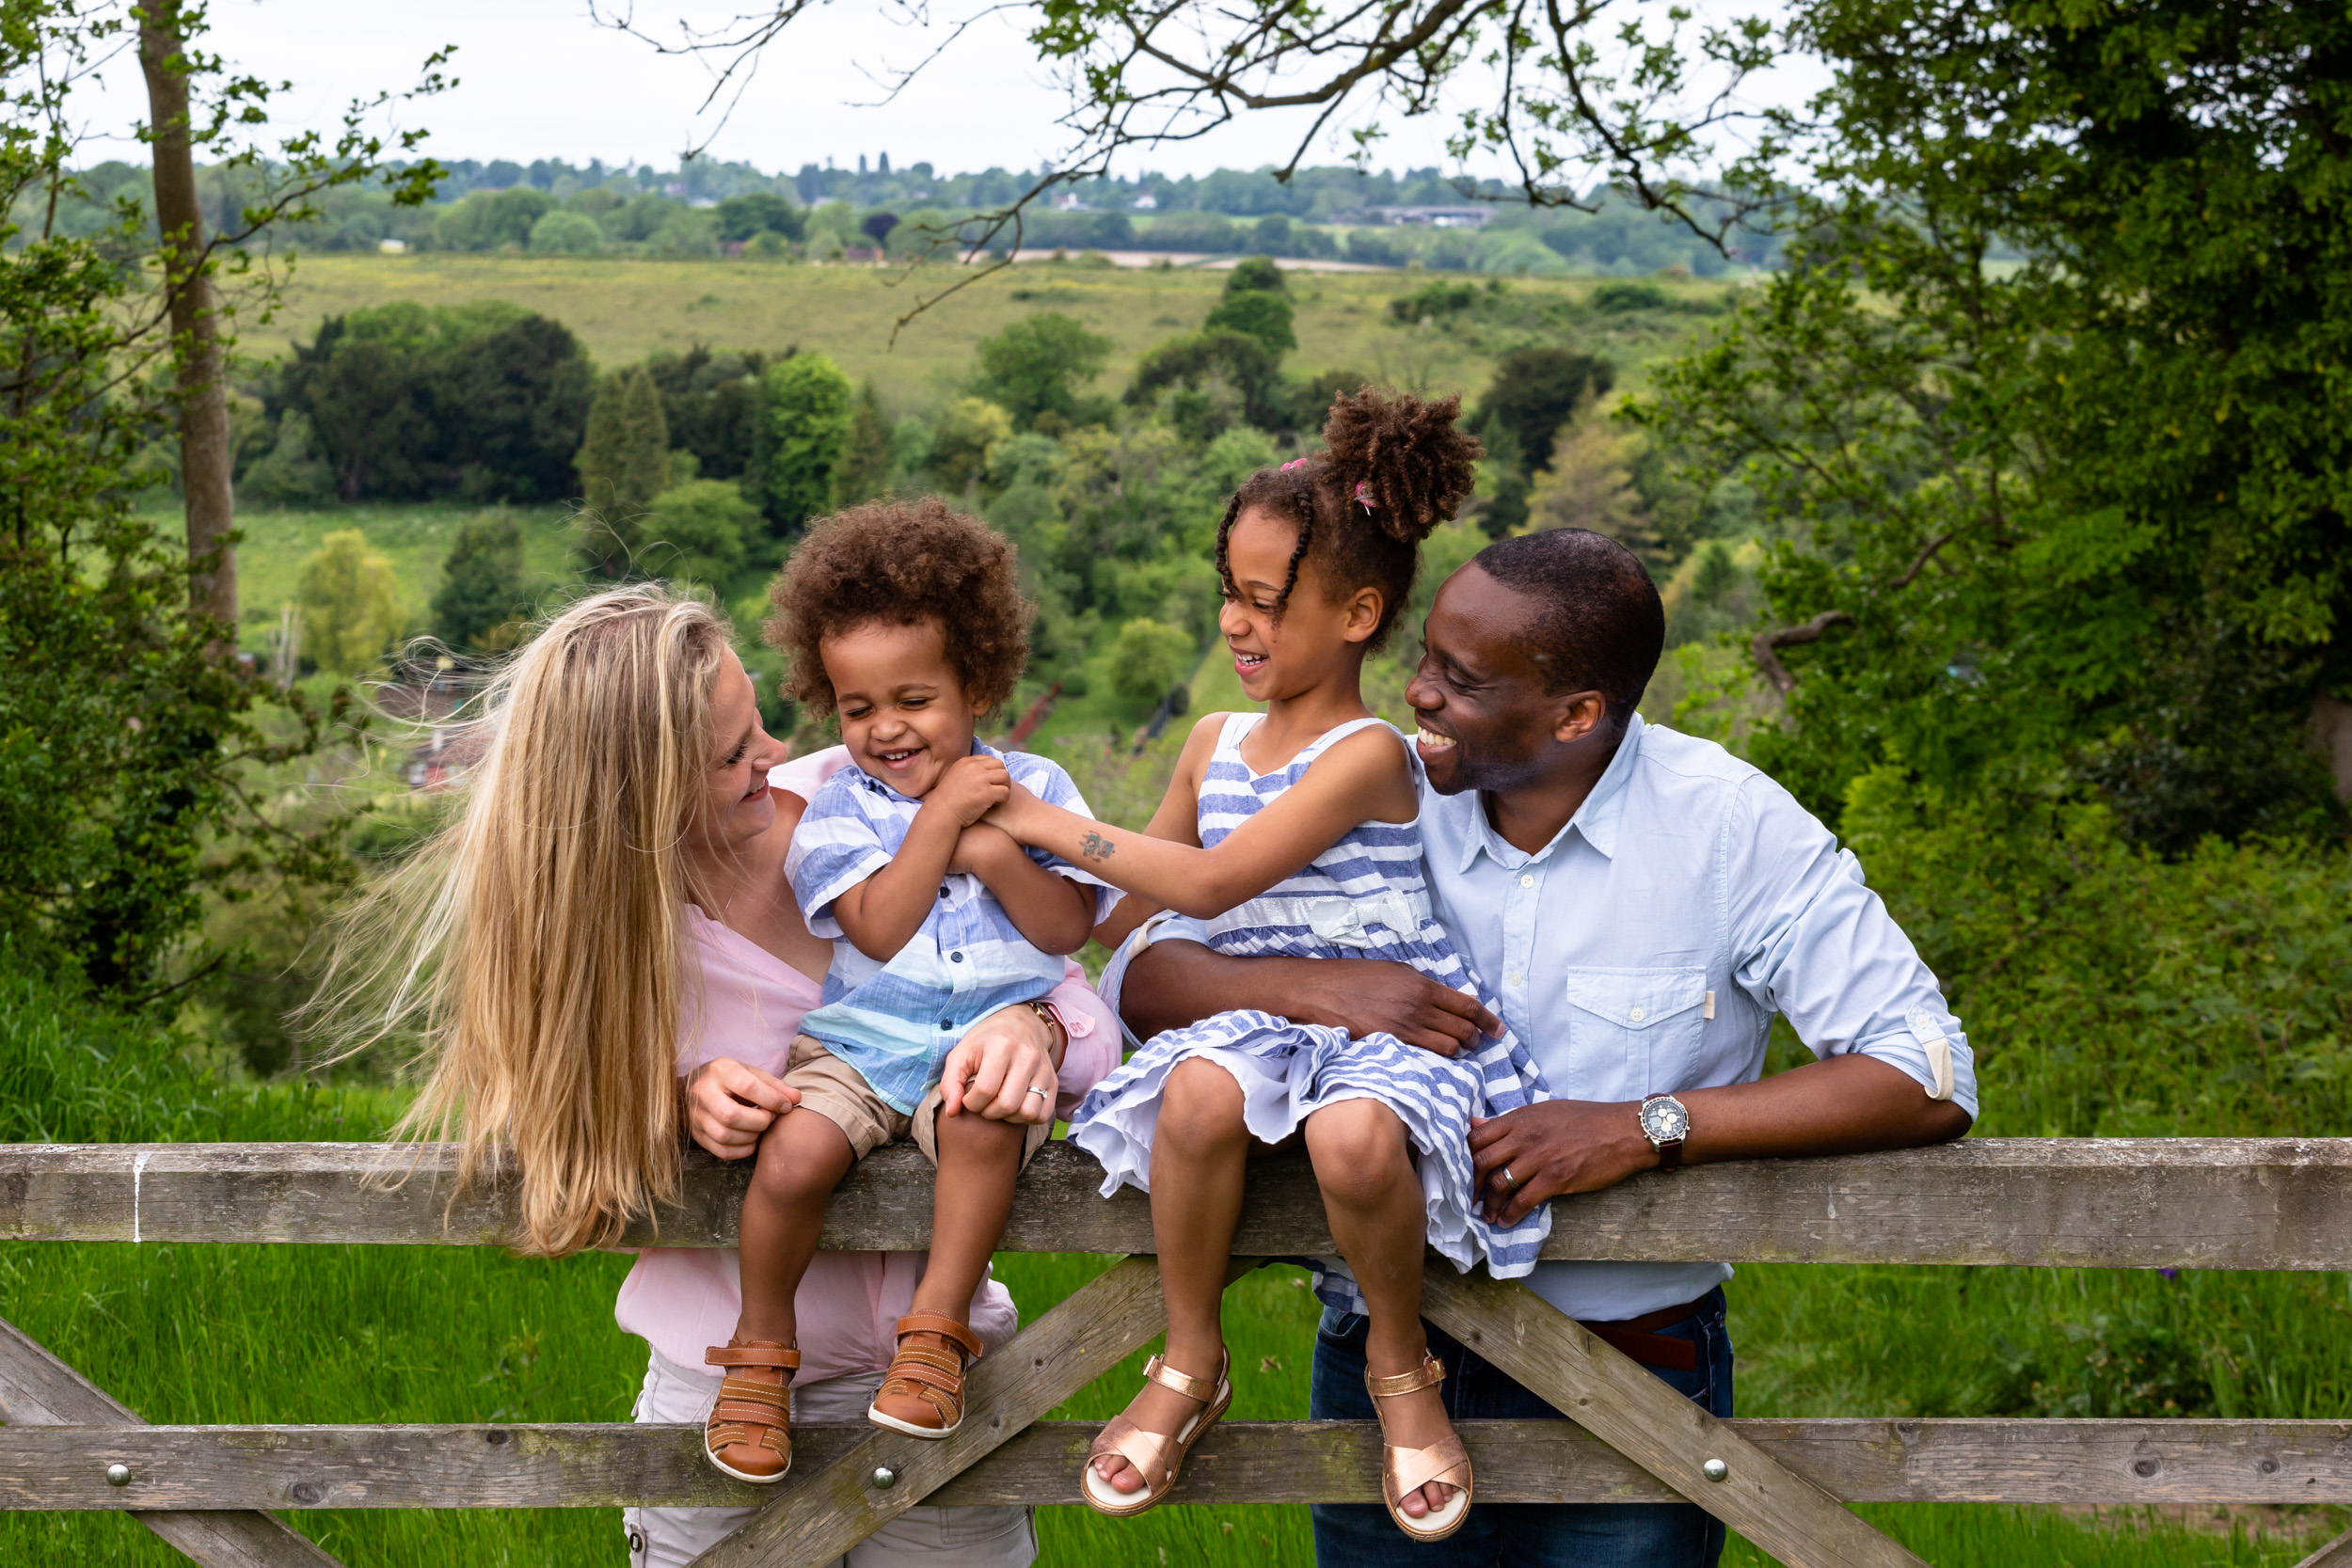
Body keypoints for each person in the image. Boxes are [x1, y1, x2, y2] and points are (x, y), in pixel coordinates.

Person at [1104, 528, 1979, 1568]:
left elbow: (1925, 1074)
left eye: (1460, 679)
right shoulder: (1368, 782)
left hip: (1634, 1365)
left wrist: (1647, 1126)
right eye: (1425, 656)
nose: (1419, 692)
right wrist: (1311, 986)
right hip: (1378, 1363)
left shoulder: (1730, 828)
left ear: (1576, 713)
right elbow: (1145, 968)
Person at [310, 584, 1118, 1567]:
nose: (773, 754)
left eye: (761, 723)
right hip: (724, 1391)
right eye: (731, 753)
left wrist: (1033, 1027)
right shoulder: (597, 938)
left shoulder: (864, 807)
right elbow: (554, 1132)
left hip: (936, 1380)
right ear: (635, 792)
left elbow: (1077, 995)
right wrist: (672, 1095)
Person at [984, 389, 1545, 1542]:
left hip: (1391, 1026)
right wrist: (991, 852)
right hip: (1255, 1031)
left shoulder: (1366, 753)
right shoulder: (1210, 744)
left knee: (1350, 1137)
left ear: (1356, 613)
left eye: (1263, 600)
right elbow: (1124, 920)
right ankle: (1190, 1355)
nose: (1235, 623)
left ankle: (1400, 1366)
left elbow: (1204, 887)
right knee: (1191, 1090)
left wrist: (1039, 816)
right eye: (1227, 593)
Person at [701, 498, 1112, 1482]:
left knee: (981, 1127)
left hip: (983, 1041)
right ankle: (759, 1349)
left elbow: (1065, 928)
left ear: (976, 683)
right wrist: (944, 830)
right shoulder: (838, 806)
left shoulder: (1041, 784)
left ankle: (935, 1333)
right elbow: (877, 926)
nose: (885, 727)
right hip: (862, 1044)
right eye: (856, 707)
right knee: (795, 1152)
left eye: (915, 699)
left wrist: (994, 843)